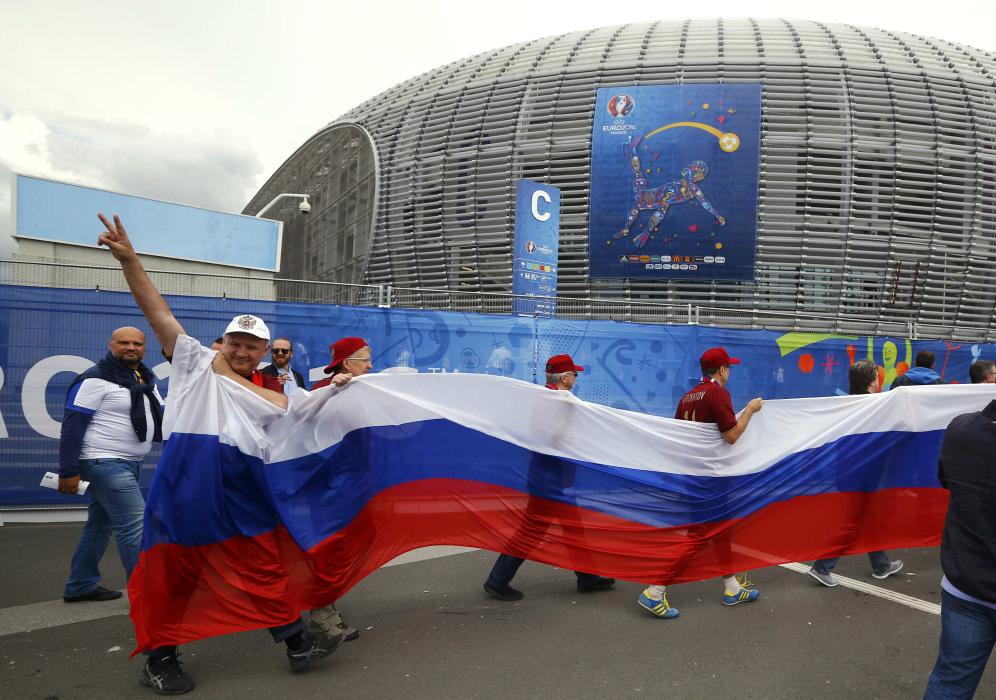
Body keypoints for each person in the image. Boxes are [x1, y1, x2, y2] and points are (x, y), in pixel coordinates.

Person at [95, 213, 345, 694]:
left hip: (242, 494)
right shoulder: (191, 363)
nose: (243, 350)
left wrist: (341, 386)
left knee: (262, 565)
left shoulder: (263, 388)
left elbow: (291, 408)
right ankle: (159, 659)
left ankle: (295, 642)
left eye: (253, 345)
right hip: (188, 490)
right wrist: (130, 261)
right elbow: (157, 312)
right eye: (236, 342)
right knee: (175, 574)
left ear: (265, 350)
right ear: (222, 341)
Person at [638, 347, 763, 619]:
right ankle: (654, 591)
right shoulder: (717, 393)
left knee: (720, 531)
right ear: (721, 370)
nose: (730, 371)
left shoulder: (687, 397)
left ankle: (731, 587)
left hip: (693, 475)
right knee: (697, 536)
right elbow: (731, 436)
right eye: (729, 367)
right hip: (711, 477)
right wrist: (751, 410)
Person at [483, 354, 615, 601]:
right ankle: (497, 580)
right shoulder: (560, 400)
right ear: (565, 378)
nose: (576, 378)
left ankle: (587, 578)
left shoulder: (545, 397)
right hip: (552, 479)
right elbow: (551, 437)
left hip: (550, 476)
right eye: (574, 374)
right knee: (532, 530)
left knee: (572, 529)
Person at [59, 327, 163, 604]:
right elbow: (72, 426)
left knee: (99, 526)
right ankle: (147, 597)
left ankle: (80, 584)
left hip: (127, 463)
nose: (131, 347)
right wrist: (68, 471)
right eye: (124, 342)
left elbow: (162, 417)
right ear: (111, 345)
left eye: (137, 343)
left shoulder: (142, 378)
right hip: (105, 462)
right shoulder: (95, 379)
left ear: (144, 347)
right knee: (135, 526)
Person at [807, 360, 904, 587]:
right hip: (863, 475)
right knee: (852, 522)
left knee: (865, 519)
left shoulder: (849, 404)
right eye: (877, 376)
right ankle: (822, 566)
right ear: (872, 382)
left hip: (849, 472)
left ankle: (881, 565)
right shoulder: (874, 406)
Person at [923, 400, 996, 698]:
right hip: (965, 584)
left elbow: (946, 479)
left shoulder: (961, 429)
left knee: (950, 682)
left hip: (964, 585)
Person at [303, 336, 372, 643]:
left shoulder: (361, 391)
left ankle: (324, 609)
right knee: (327, 550)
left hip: (348, 484)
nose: (371, 365)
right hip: (328, 487)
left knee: (339, 549)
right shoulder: (323, 393)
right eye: (365, 360)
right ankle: (321, 617)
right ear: (347, 363)